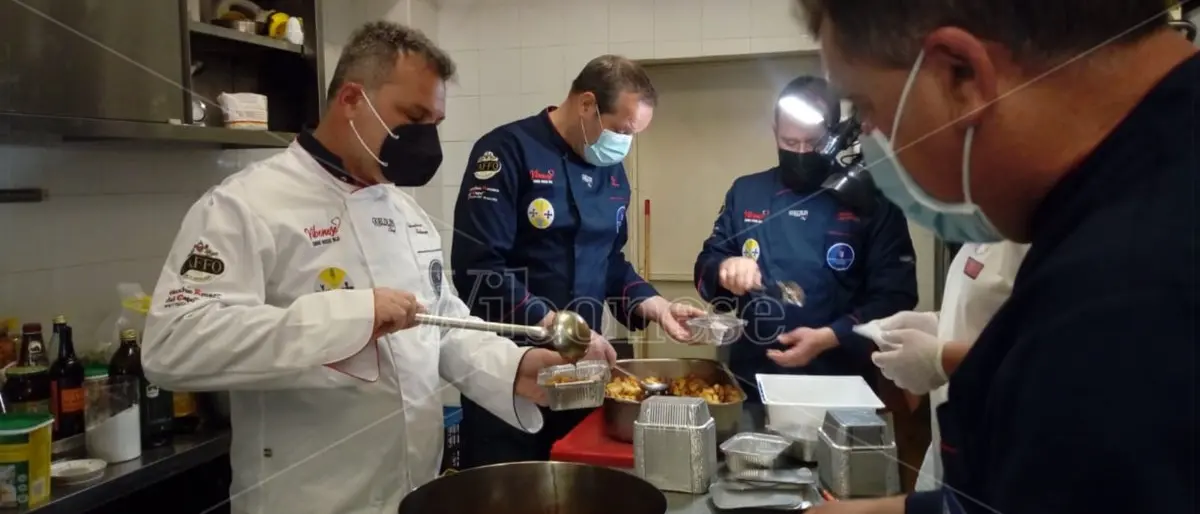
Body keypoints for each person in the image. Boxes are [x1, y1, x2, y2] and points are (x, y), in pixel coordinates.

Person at [141, 22, 569, 514]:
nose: (425, 138)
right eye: (413, 117)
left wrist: (512, 368)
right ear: (350, 99)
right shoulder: (246, 205)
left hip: (414, 493)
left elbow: (443, 326)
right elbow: (173, 343)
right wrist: (350, 318)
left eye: (434, 122)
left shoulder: (407, 213)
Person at [797, 1, 1198, 513]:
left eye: (866, 108)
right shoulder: (1124, 193)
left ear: (960, 76)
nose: (870, 144)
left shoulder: (1126, 289)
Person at [451, 54, 705, 467]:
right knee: (509, 486)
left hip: (582, 377)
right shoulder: (507, 151)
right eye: (622, 130)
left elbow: (610, 261)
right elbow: (479, 269)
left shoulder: (612, 172)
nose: (625, 143)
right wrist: (556, 325)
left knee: (577, 484)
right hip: (509, 374)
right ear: (587, 104)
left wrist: (656, 306)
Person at [693, 75, 918, 394]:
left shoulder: (872, 201)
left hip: (842, 382)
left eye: (812, 143)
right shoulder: (746, 193)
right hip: (753, 380)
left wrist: (832, 336)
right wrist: (725, 269)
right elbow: (705, 269)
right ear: (775, 132)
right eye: (789, 142)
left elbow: (897, 297)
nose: (800, 152)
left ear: (835, 137)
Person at [862, 241, 1028, 491]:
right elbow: (982, 312)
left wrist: (943, 358)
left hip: (1006, 455)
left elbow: (1046, 361)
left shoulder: (1046, 245)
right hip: (953, 443)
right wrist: (938, 324)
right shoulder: (980, 236)